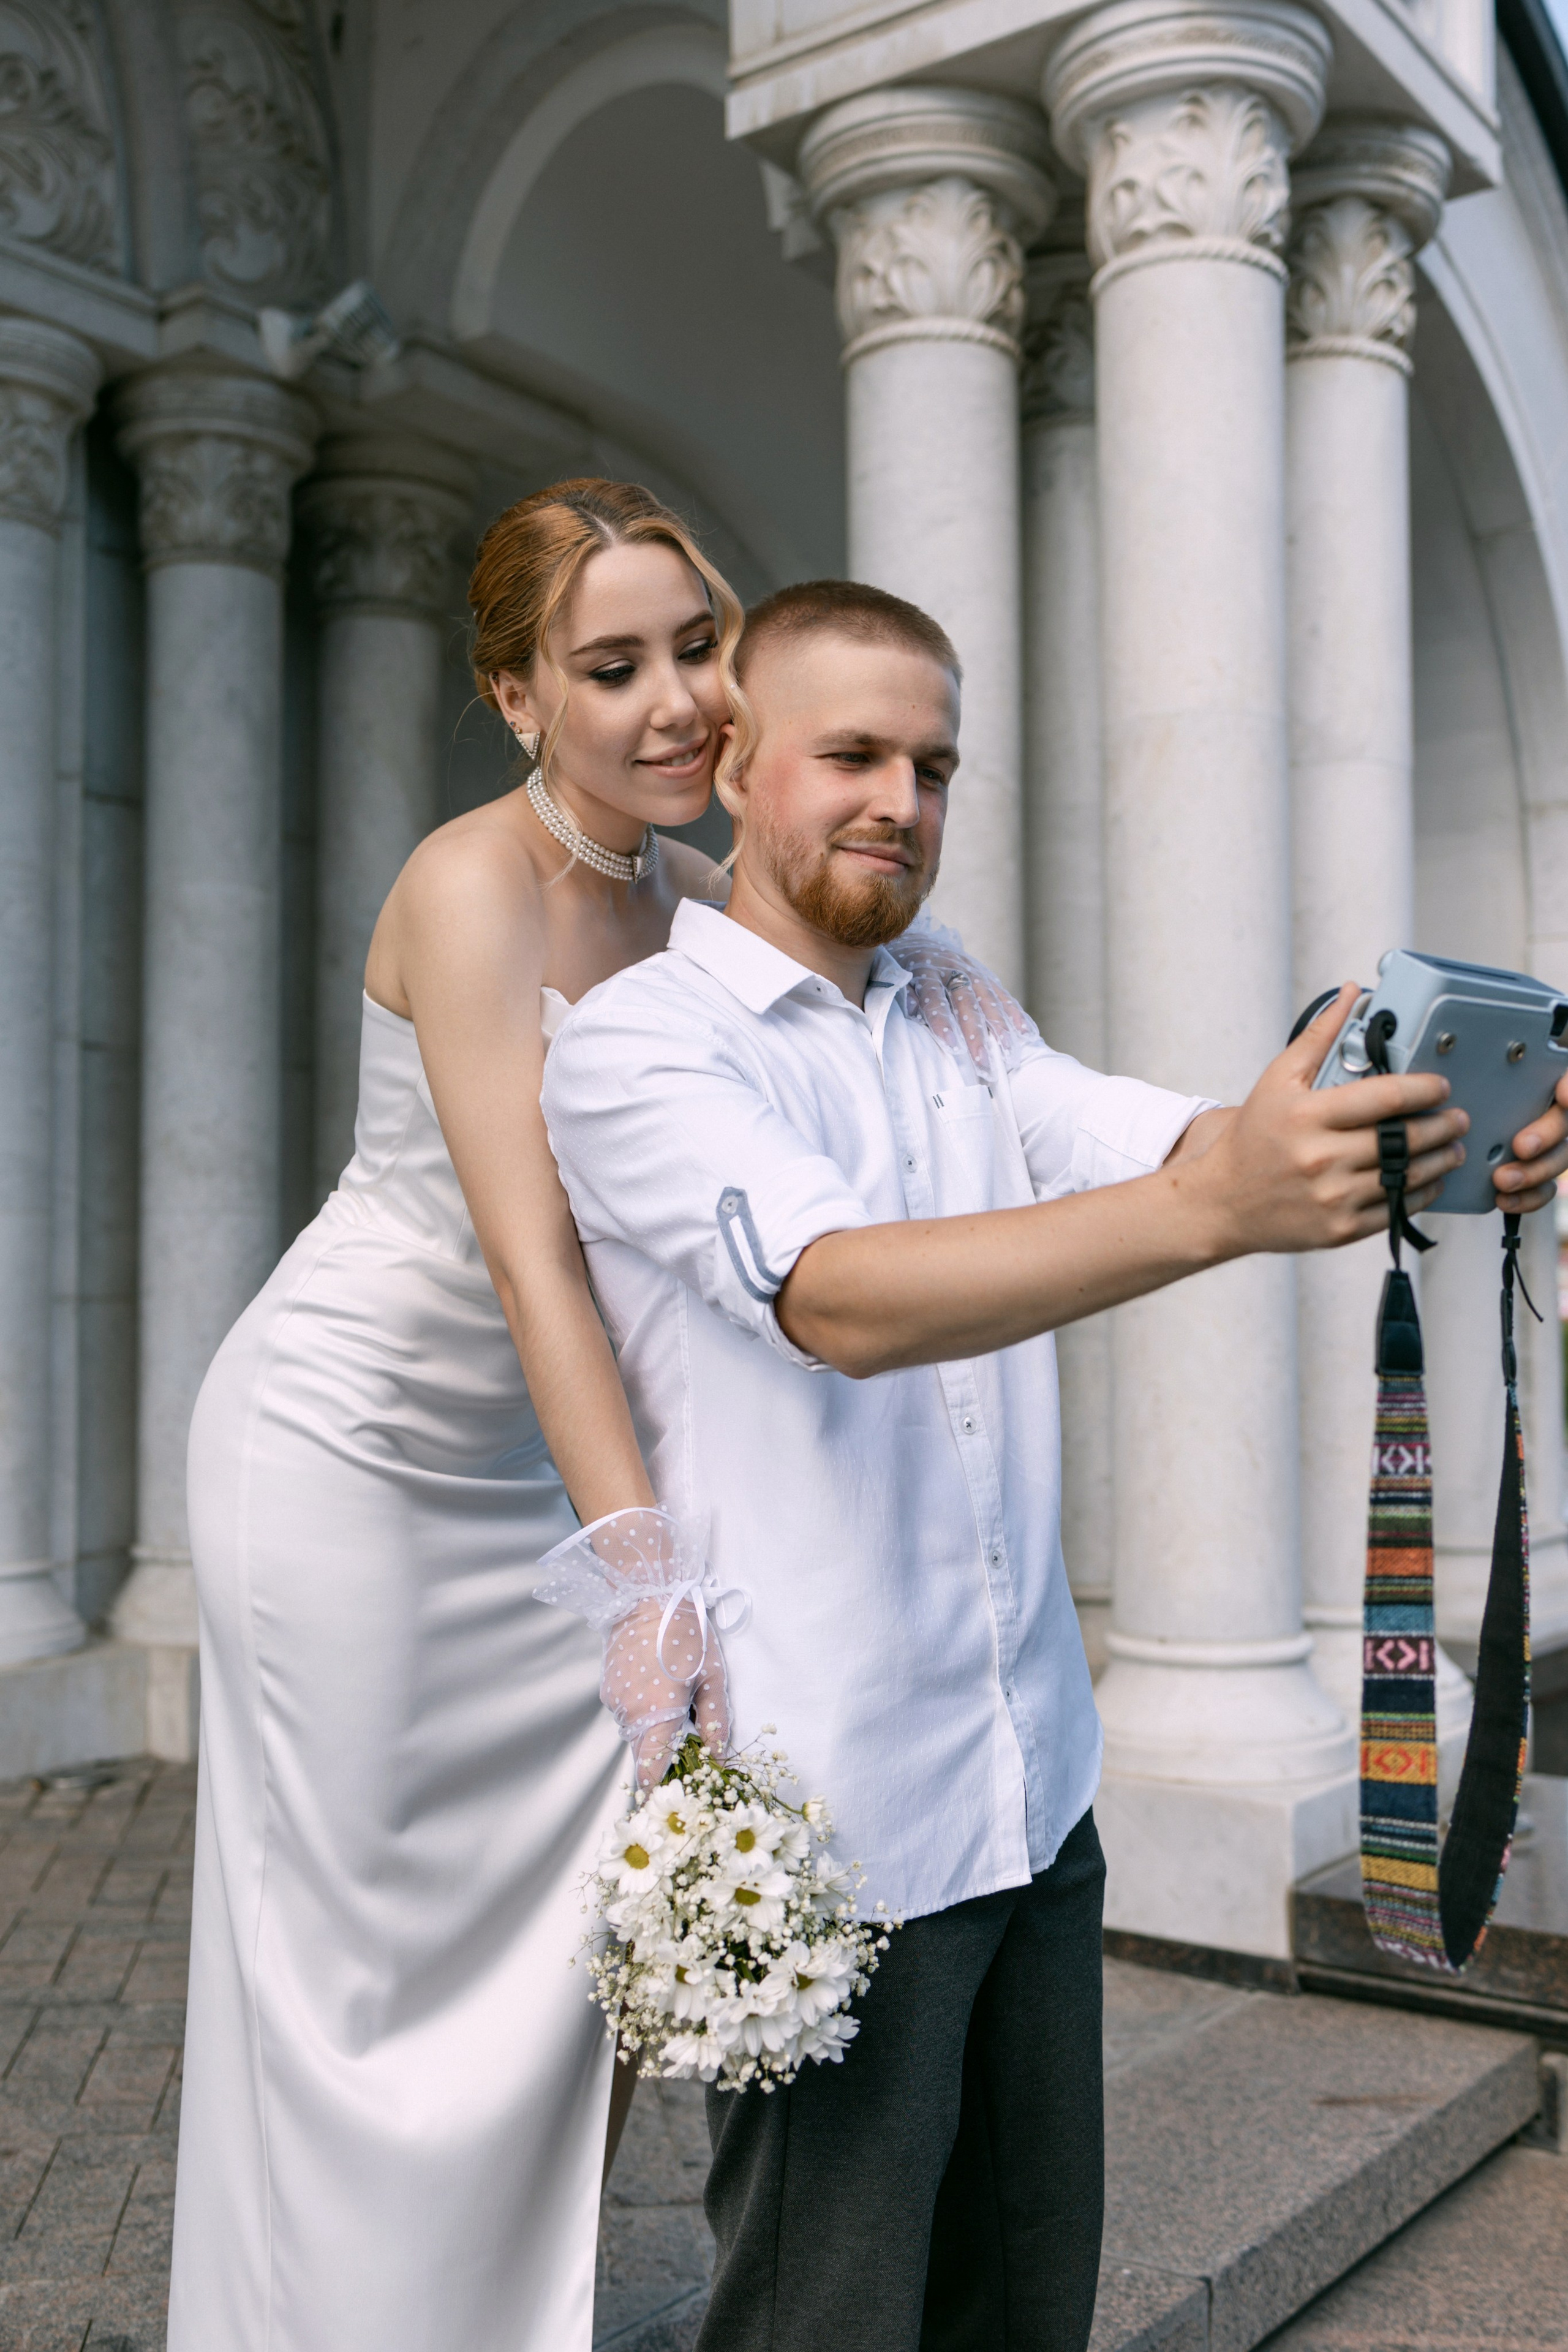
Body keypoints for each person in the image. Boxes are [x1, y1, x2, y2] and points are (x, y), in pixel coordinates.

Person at [540, 577, 1568, 2352]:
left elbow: (1131, 1133)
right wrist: (1217, 1205)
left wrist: (1390, 1145)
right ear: (736, 763)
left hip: (1029, 1782)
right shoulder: (641, 1039)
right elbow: (836, 1296)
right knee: (822, 2318)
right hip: (829, 1819)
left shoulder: (950, 999)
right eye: (853, 756)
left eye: (934, 767)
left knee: (1026, 2304)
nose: (901, 802)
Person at [168, 480, 1009, 2352]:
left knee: (571, 1968)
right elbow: (536, 1254)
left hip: (546, 1470)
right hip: (352, 1462)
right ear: (516, 695)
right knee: (358, 1988)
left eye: (699, 648)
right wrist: (647, 1571)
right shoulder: (468, 884)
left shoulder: (693, 897)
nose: (678, 700)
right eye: (612, 666)